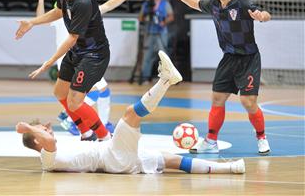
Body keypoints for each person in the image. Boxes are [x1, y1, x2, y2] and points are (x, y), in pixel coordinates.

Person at [16, 51, 245, 175]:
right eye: (43, 130)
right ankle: (165, 80)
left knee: (171, 161)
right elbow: (46, 140)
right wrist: (27, 127)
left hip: (116, 157)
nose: (48, 130)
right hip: (113, 157)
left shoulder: (51, 150)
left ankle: (231, 168)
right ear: (36, 139)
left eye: (45, 127)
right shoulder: (47, 157)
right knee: (129, 115)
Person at [164, 0, 271, 155]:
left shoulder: (243, 3)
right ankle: (211, 141)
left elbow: (263, 13)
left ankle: (261, 137)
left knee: (248, 102)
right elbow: (195, 3)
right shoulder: (213, 4)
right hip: (228, 58)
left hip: (248, 58)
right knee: (217, 98)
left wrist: (262, 17)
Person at [35, 0, 143, 135]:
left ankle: (90, 125)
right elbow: (43, 18)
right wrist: (39, 4)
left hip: (86, 54)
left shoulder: (84, 3)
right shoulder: (63, 2)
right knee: (83, 96)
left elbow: (107, 5)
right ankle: (82, 123)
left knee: (94, 92)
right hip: (68, 54)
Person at [15, 0, 112, 141]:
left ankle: (105, 137)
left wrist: (49, 62)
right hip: (78, 51)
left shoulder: (82, 2)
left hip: (94, 55)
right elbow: (58, 12)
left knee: (75, 102)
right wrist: (32, 22)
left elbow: (72, 38)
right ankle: (86, 132)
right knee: (59, 93)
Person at [139, 0, 174, 84]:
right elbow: (141, 17)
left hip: (162, 31)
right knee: (147, 55)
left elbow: (171, 16)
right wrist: (146, 18)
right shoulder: (147, 4)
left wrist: (163, 22)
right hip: (150, 31)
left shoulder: (165, 4)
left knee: (163, 55)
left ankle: (167, 77)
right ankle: (146, 77)